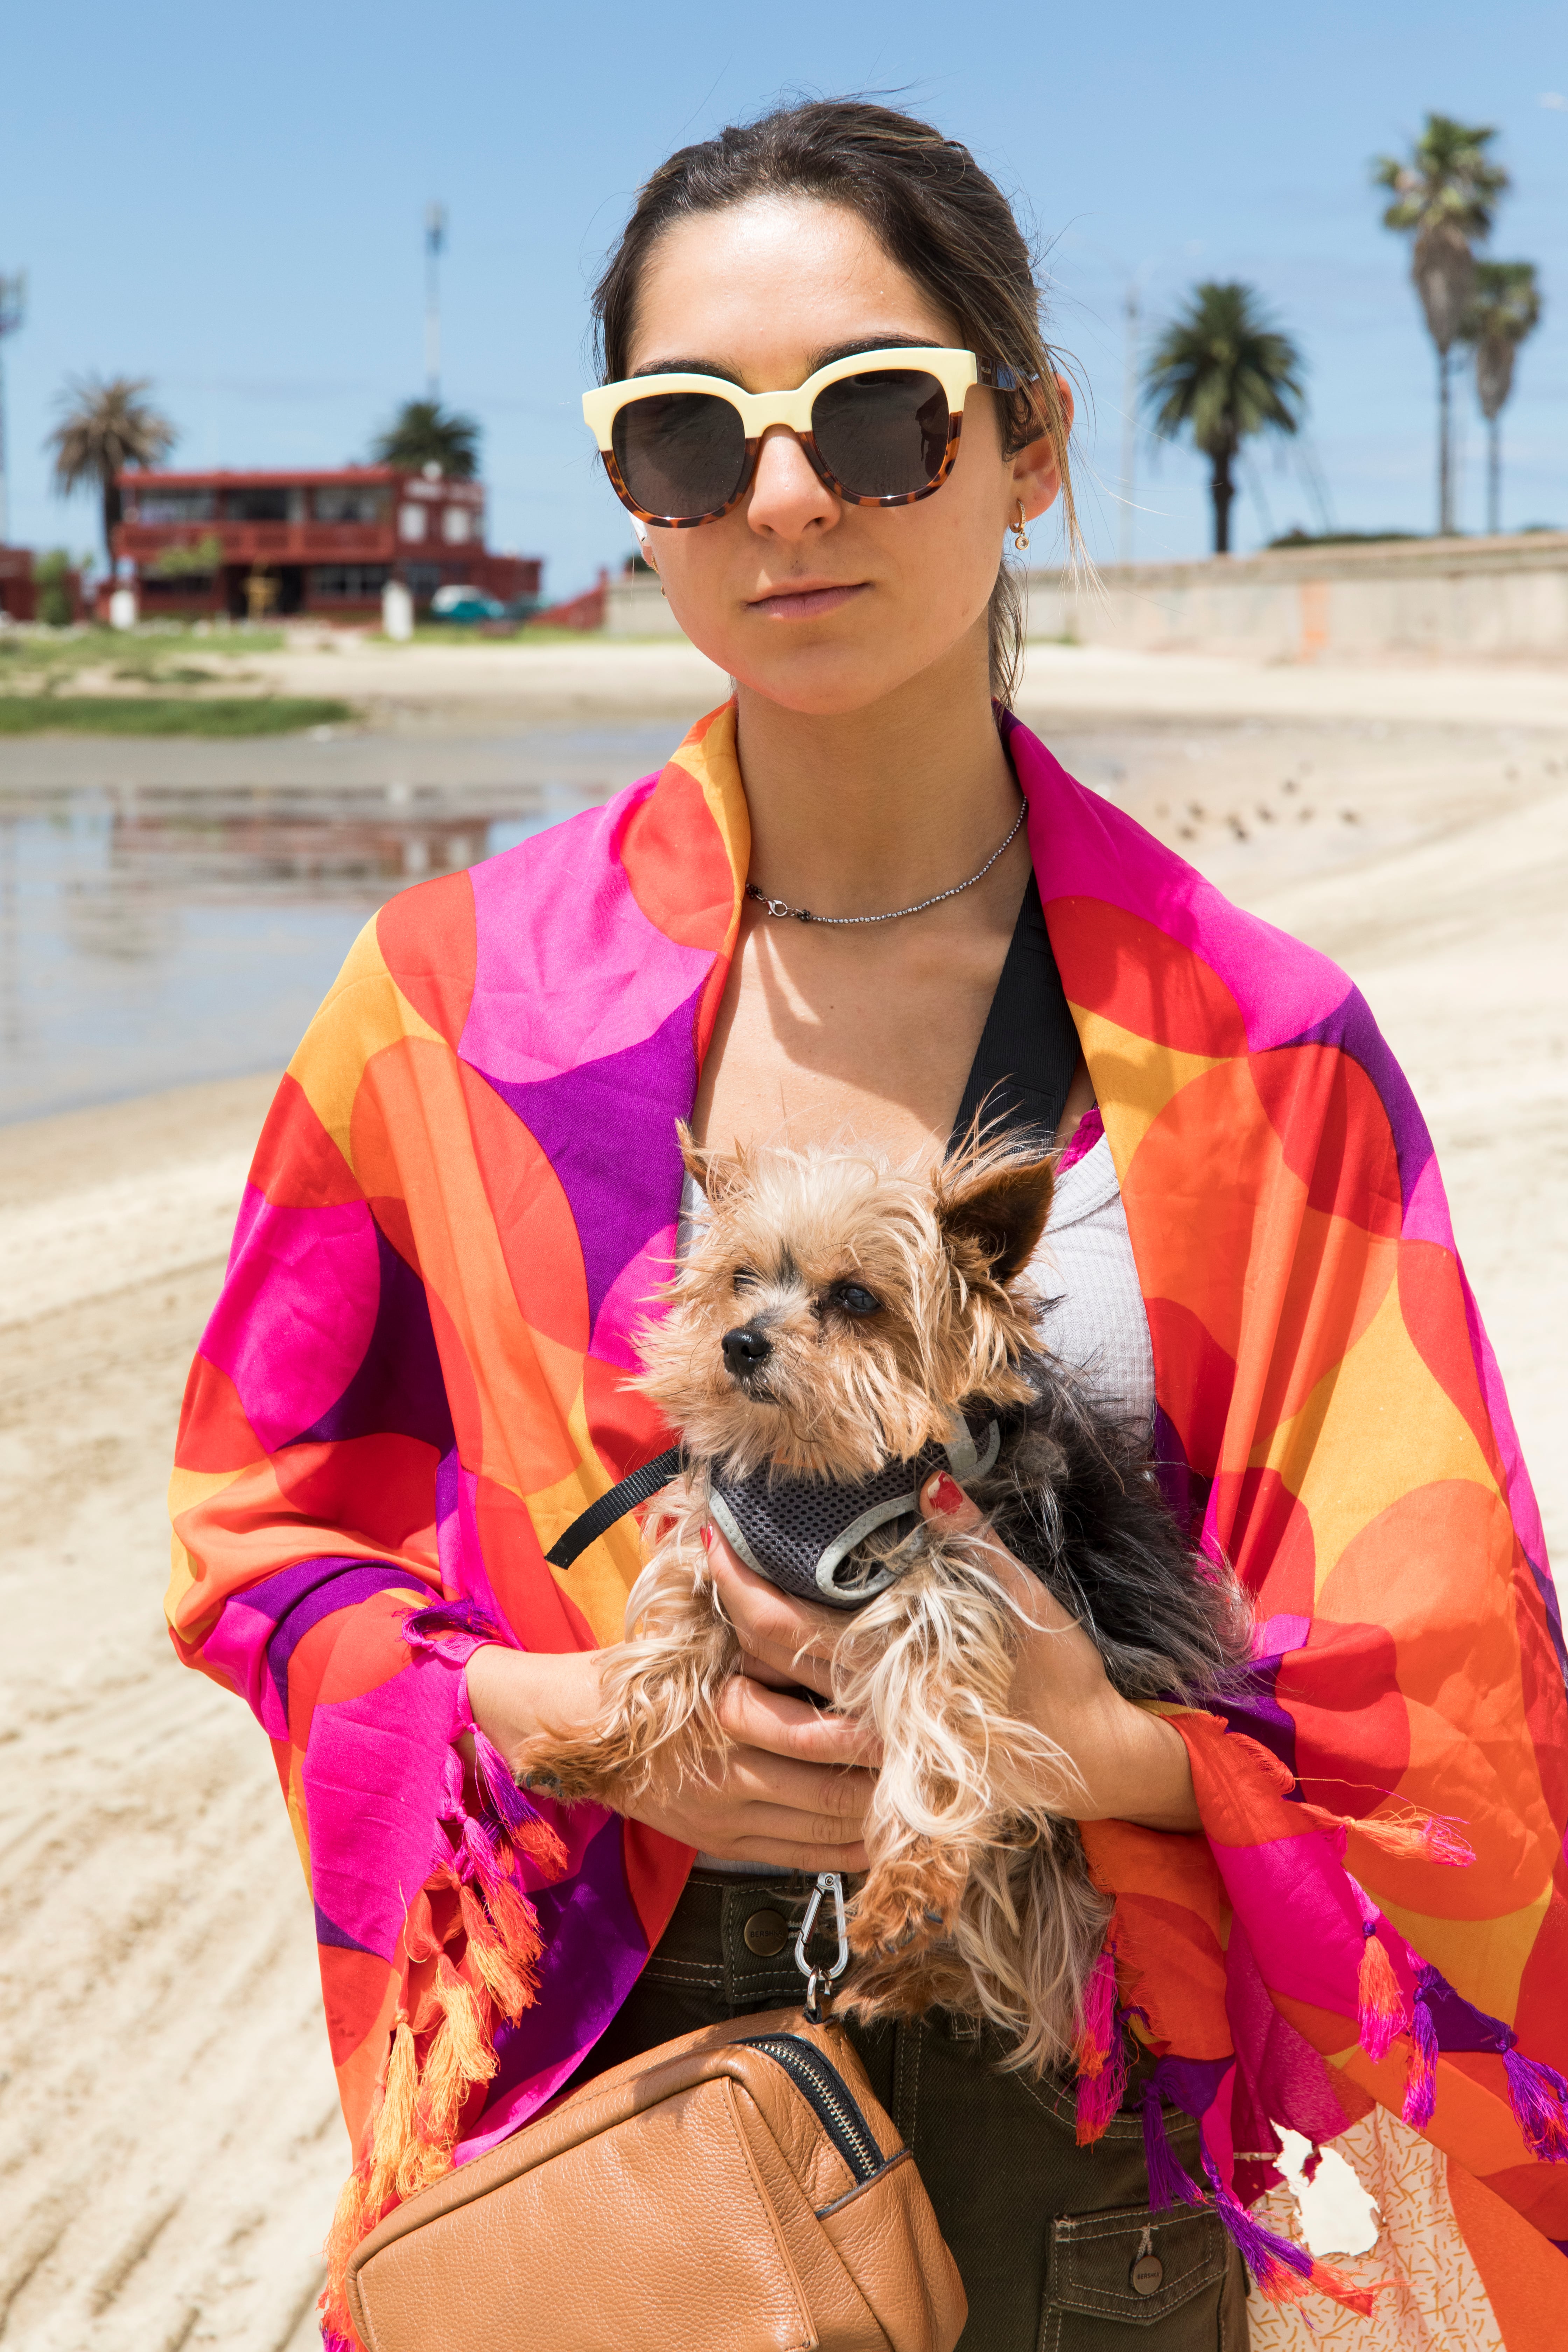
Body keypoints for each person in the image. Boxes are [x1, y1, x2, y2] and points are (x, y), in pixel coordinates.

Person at [168, 100, 1564, 2352]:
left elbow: (1459, 1709)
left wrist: (1091, 1741)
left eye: (881, 416)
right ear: (636, 500)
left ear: (1026, 448)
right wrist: (559, 1712)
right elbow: (260, 1543)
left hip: (1082, 2145)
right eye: (693, 440)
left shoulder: (1261, 1053)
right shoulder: (445, 1010)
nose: (788, 493)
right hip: (601, 2118)